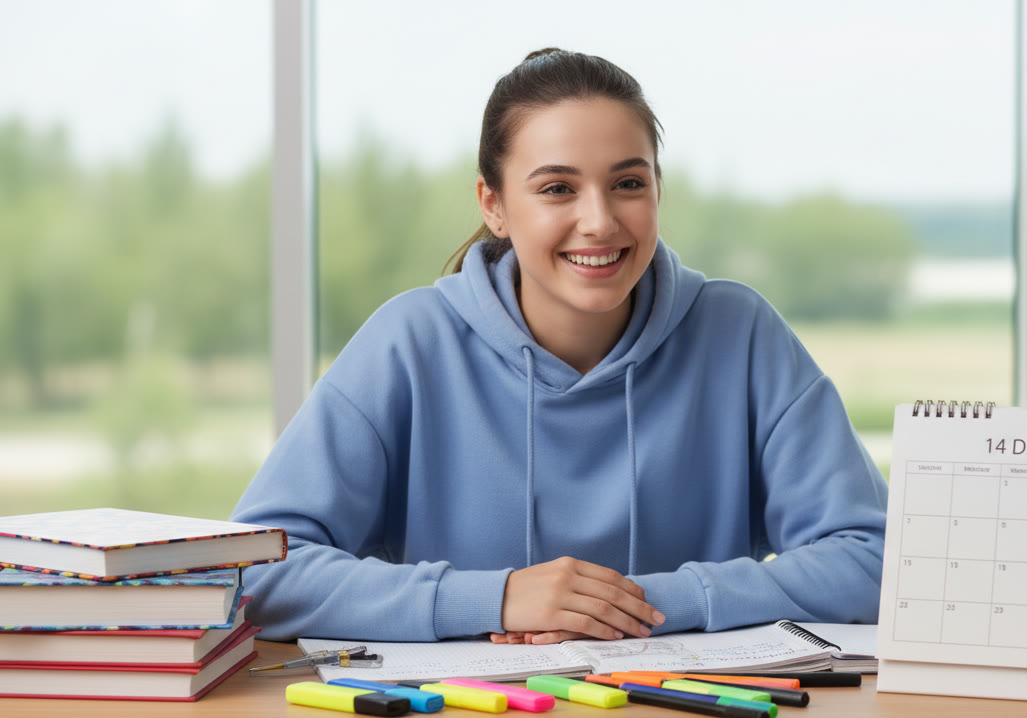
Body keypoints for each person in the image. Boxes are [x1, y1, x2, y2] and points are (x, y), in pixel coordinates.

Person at [231, 48, 888, 645]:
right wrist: (499, 599)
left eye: (628, 183)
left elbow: (876, 557)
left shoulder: (740, 333)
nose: (599, 220)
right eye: (557, 189)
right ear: (493, 204)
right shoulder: (409, 343)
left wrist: (651, 603)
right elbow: (255, 571)